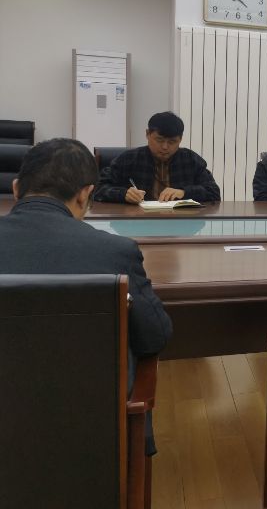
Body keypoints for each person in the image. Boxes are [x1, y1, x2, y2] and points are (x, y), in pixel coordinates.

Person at [0, 138, 173, 454]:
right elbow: (154, 337)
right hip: (95, 435)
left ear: (15, 189)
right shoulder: (114, 251)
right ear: (85, 195)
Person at [94, 111, 221, 203]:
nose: (165, 147)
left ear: (180, 139)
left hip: (179, 223)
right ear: (147, 134)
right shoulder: (129, 159)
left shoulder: (190, 160)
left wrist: (184, 192)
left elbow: (214, 192)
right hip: (137, 222)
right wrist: (123, 194)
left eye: (172, 142)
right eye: (159, 140)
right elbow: (97, 188)